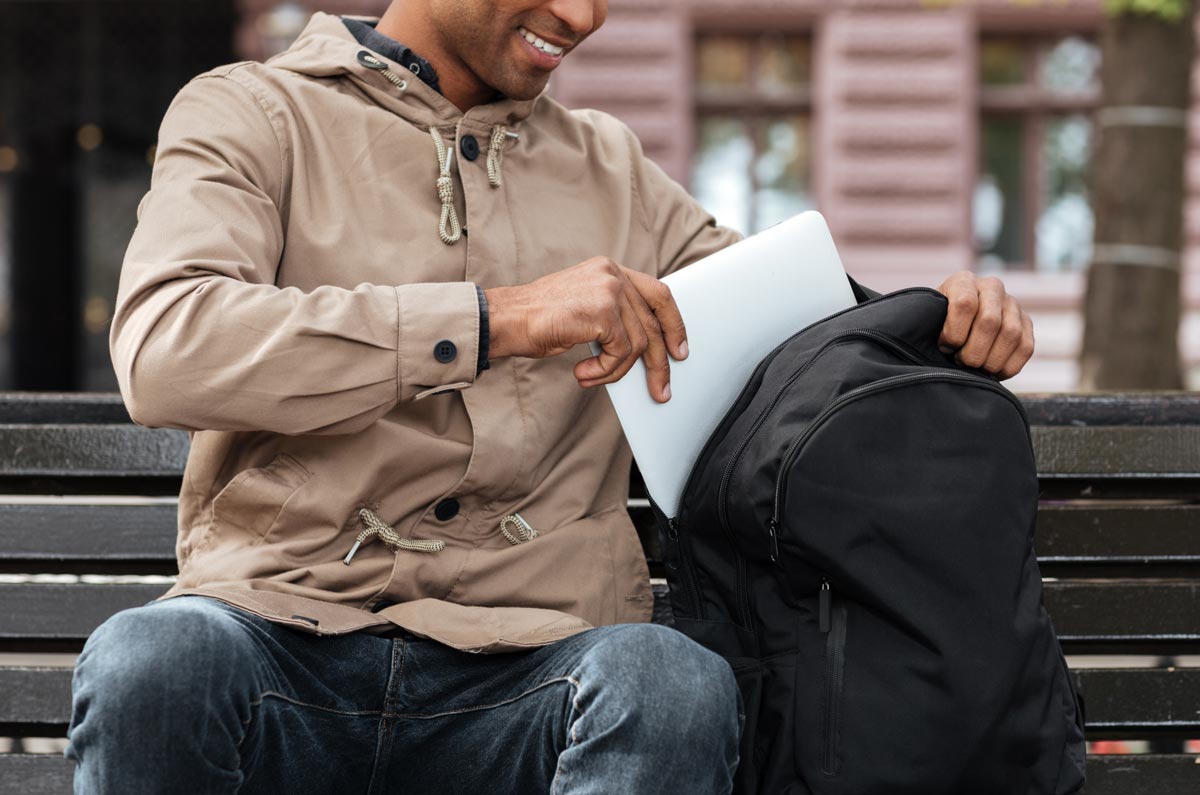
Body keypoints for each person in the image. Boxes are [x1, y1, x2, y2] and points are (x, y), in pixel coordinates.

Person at [64, 1, 1036, 792]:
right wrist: (496, 319)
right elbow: (168, 346)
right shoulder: (251, 112)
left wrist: (930, 316)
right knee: (154, 664)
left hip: (535, 673)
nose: (584, 16)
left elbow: (797, 327)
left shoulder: (610, 166)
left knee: (669, 684)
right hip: (279, 637)